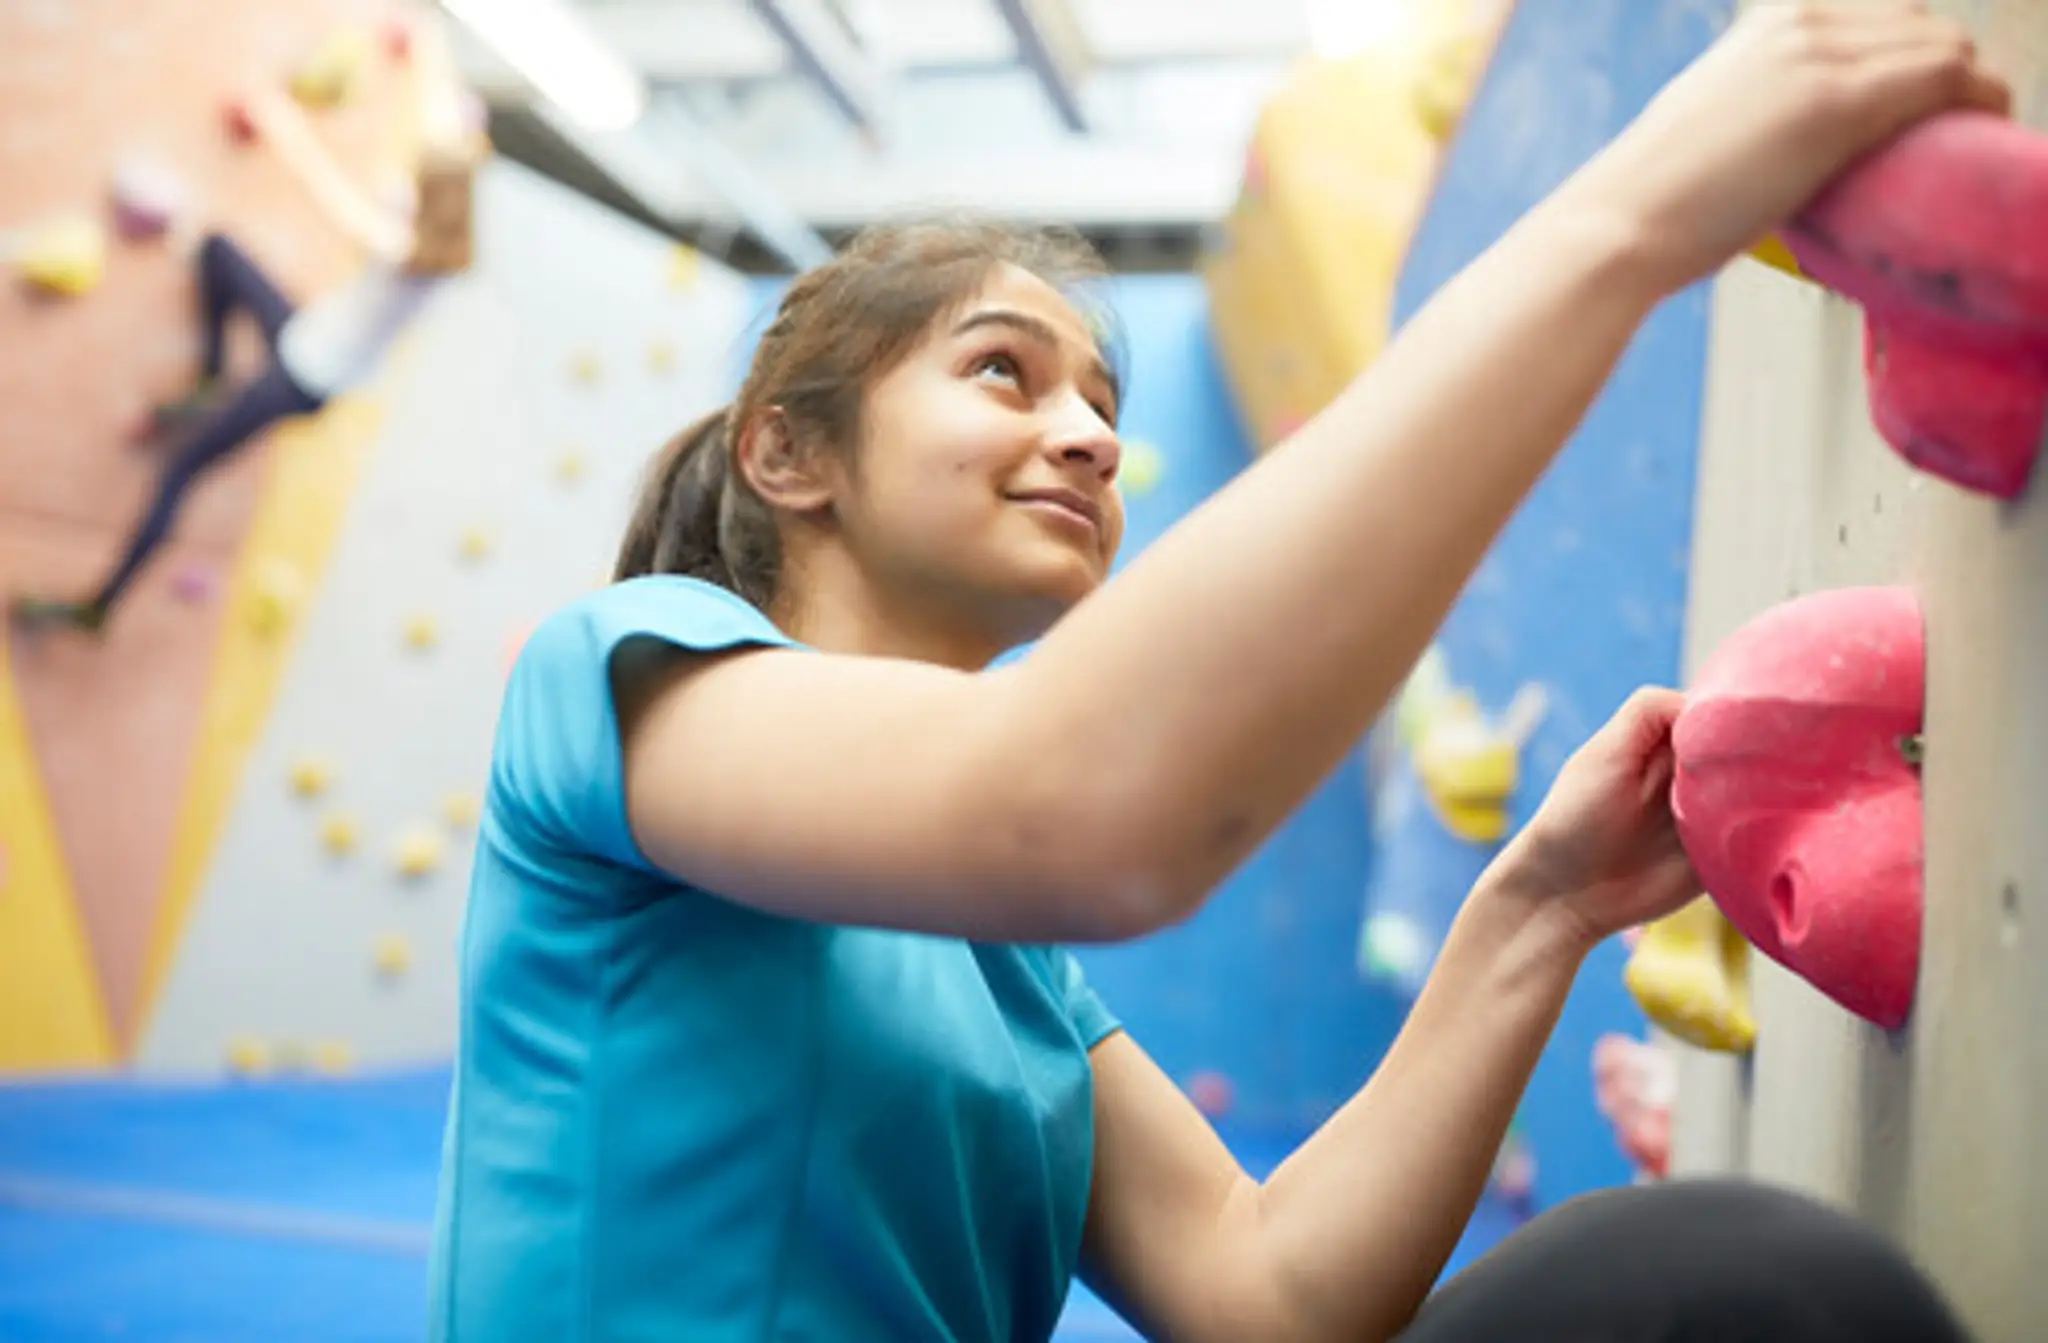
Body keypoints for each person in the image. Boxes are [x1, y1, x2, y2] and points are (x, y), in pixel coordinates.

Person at [428, 7, 2002, 1341]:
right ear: (788, 451)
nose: (1093, 434)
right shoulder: (621, 682)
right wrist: (1636, 214)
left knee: (1731, 1282)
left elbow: (1271, 1290)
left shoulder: (1001, 953)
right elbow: (1082, 808)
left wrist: (1537, 904)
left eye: (1105, 402)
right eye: (1003, 370)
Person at [10, 16, 481, 634]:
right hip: (307, 336)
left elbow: (329, 197)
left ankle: (98, 608)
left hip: (304, 375)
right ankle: (210, 376)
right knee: (218, 252)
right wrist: (422, 62)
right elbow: (433, 140)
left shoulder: (407, 251)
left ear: (433, 198)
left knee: (180, 471)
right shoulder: (436, 237)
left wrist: (287, 132)